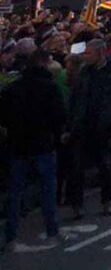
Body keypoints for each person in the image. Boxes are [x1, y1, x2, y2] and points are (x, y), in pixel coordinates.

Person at [0, 50, 66, 250]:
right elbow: (59, 116)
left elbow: (2, 116)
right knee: (47, 189)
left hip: (17, 144)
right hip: (42, 144)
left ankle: (11, 237)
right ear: (42, 63)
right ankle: (52, 231)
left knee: (16, 192)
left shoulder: (13, 88)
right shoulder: (50, 88)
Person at [65, 39, 111, 218]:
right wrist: (70, 125)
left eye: (89, 53)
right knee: (77, 168)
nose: (85, 56)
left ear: (101, 53)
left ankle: (107, 200)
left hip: (103, 126)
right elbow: (74, 98)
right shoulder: (84, 73)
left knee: (104, 166)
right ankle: (77, 205)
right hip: (82, 125)